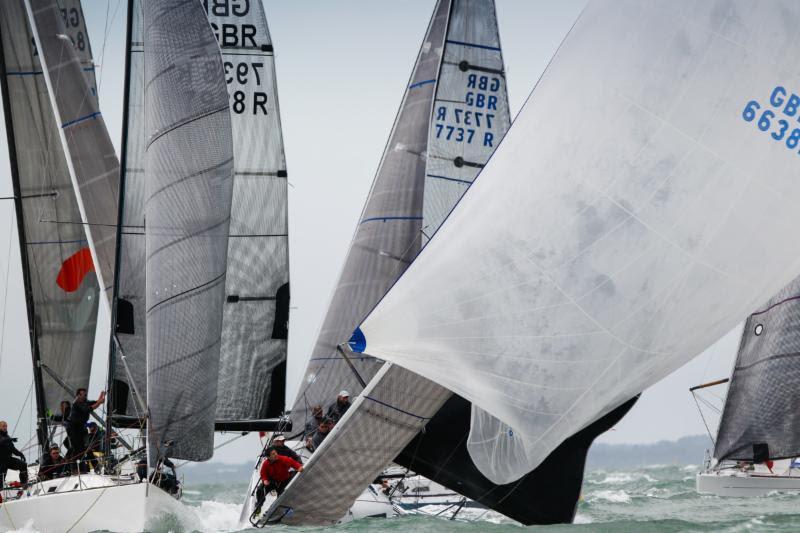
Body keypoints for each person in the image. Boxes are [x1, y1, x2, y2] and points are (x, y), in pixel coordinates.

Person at [253, 448, 303, 516]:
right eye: (273, 454)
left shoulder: (283, 459)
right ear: (268, 457)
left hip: (284, 481)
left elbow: (292, 462)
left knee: (281, 496)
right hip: (272, 482)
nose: (276, 455)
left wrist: (298, 467)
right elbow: (263, 473)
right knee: (259, 489)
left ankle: (270, 511)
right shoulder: (266, 464)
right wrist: (265, 480)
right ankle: (259, 507)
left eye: (276, 453)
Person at [67, 388, 105, 461]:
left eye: (86, 395)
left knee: (84, 447)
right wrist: (99, 402)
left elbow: (95, 403)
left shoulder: (85, 402)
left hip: (81, 427)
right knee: (78, 448)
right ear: (78, 395)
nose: (85, 396)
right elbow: (88, 409)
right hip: (74, 428)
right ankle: (75, 466)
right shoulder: (77, 403)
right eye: (84, 395)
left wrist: (100, 399)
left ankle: (83, 465)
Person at [0, 420, 28, 488]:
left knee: (23, 465)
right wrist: (10, 440)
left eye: (6, 426)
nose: (5, 427)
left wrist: (21, 454)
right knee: (1, 479)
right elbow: (1, 442)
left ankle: (24, 483)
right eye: (3, 426)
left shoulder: (7, 436)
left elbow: (13, 449)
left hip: (9, 460)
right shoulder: (5, 438)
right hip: (1, 462)